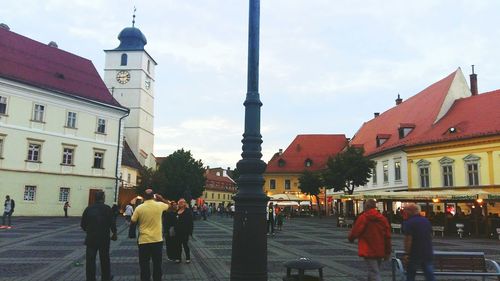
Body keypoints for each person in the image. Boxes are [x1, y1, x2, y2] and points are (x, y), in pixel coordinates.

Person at [348, 199, 391, 281]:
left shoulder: (363, 218)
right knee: (373, 270)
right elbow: (387, 237)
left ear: (367, 206)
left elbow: (355, 231)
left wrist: (351, 238)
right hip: (380, 249)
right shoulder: (383, 219)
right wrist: (388, 252)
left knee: (374, 272)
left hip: (368, 249)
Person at [131, 189, 169, 281]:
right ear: (153, 196)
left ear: (143, 197)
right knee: (157, 264)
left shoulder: (139, 208)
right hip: (157, 240)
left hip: (143, 241)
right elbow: (171, 206)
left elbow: (133, 220)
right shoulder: (159, 205)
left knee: (144, 265)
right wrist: (162, 199)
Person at [81, 191, 117, 281]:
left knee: (90, 261)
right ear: (103, 198)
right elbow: (112, 223)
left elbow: (83, 224)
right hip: (104, 239)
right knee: (105, 259)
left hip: (91, 238)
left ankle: (90, 278)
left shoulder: (88, 209)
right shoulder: (107, 209)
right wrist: (114, 233)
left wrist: (89, 231)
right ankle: (106, 277)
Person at [403, 203, 435, 281]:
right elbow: (431, 235)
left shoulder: (409, 223)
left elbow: (408, 239)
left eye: (406, 210)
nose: (405, 212)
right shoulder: (426, 221)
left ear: (411, 211)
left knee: (411, 274)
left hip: (414, 253)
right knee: (429, 274)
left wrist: (407, 254)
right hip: (427, 251)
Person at [173, 198, 194, 264]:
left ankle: (188, 258)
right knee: (177, 245)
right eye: (180, 202)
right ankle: (178, 258)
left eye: (182, 202)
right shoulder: (177, 211)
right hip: (177, 231)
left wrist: (190, 231)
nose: (181, 203)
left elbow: (191, 222)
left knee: (185, 245)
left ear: (185, 203)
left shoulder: (188, 211)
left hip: (185, 231)